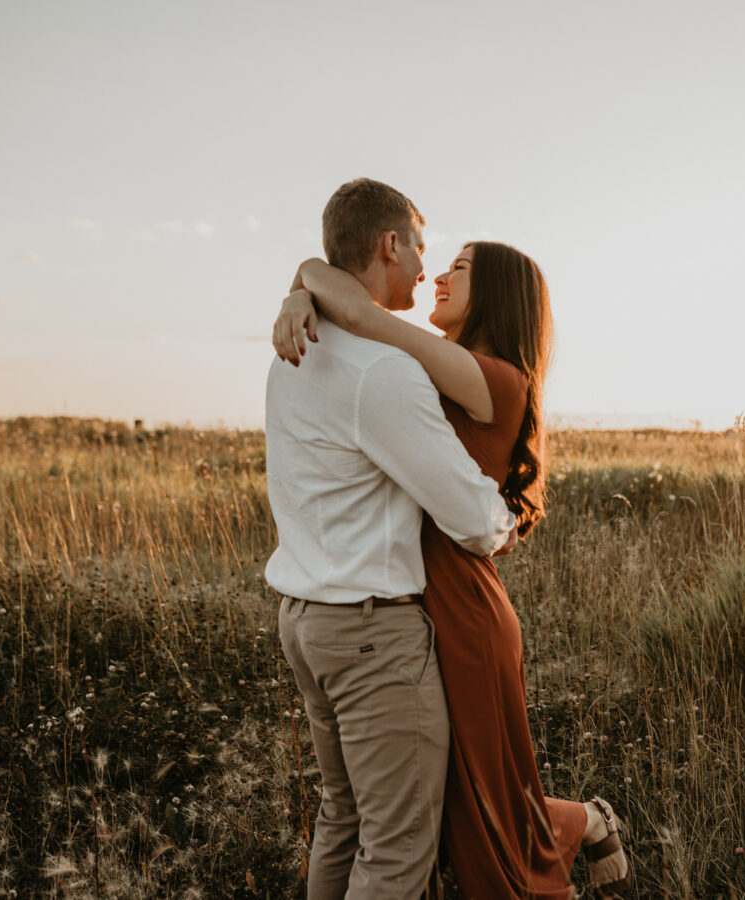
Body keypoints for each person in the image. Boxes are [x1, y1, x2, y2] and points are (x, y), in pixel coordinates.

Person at [274, 236, 633, 897]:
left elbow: (360, 314)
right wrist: (302, 288)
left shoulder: (494, 376)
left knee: (476, 806)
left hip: (460, 606)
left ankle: (576, 832)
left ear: (495, 293)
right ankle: (583, 822)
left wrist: (303, 287)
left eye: (459, 269)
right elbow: (350, 303)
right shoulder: (437, 364)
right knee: (455, 798)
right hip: (423, 596)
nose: (438, 275)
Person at [264, 178, 521, 898]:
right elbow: (474, 522)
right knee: (397, 850)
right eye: (419, 248)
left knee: (342, 819)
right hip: (371, 634)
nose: (424, 267)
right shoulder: (383, 371)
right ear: (390, 244)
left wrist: (300, 288)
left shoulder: (297, 350)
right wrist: (504, 523)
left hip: (307, 622)